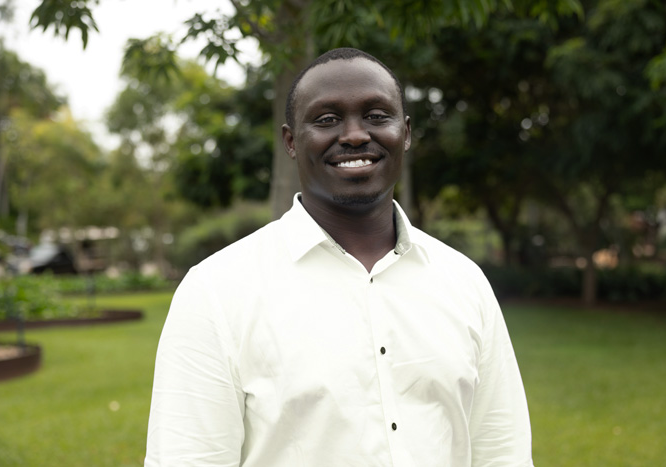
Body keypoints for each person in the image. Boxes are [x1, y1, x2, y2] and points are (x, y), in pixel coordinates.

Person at [145, 47, 534, 467]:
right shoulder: (216, 291)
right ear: (292, 142)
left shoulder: (463, 281)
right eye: (327, 119)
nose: (353, 135)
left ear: (404, 133)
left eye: (376, 115)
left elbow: (501, 451)